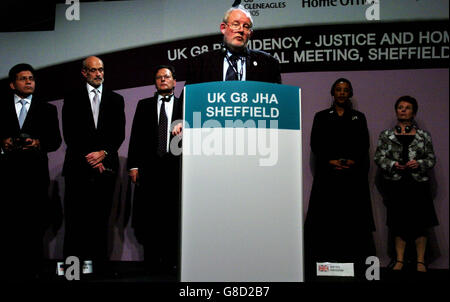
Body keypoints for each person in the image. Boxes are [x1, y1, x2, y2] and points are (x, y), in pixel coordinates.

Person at [304, 78, 375, 279]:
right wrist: (330, 160)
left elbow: (363, 144)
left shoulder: (359, 117)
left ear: (350, 93)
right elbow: (315, 143)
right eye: (338, 89)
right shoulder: (321, 117)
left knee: (350, 219)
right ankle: (326, 260)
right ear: (332, 93)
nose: (342, 93)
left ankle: (351, 260)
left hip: (352, 177)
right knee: (326, 218)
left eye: (345, 90)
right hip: (328, 175)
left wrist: (352, 161)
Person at [62, 56, 125, 277]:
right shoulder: (71, 98)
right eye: (94, 70)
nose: (99, 74)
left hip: (105, 169)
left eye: (101, 70)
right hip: (78, 168)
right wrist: (90, 157)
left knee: (101, 220)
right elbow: (70, 133)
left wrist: (103, 154)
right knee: (75, 221)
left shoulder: (116, 99)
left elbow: (119, 133)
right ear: (84, 73)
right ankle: (73, 270)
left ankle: (100, 269)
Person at [0, 63, 61, 279]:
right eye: (23, 78)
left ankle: (34, 269)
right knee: (9, 223)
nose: (28, 82)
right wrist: (3, 144)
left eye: (31, 78)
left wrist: (37, 143)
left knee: (35, 224)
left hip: (35, 176)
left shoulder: (47, 109)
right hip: (7, 175)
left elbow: (55, 141)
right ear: (12, 83)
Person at [127, 65, 182, 277]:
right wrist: (133, 165)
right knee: (149, 218)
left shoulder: (183, 105)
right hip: (149, 170)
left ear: (174, 81)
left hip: (174, 170)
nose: (163, 80)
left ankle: (171, 263)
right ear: (155, 82)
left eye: (167, 76)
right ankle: (151, 264)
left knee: (171, 218)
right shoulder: (144, 105)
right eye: (159, 77)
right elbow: (136, 138)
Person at [374, 96, 438, 273]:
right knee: (398, 223)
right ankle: (399, 260)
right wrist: (393, 164)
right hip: (396, 185)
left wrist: (420, 163)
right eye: (400, 107)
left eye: (407, 107)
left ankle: (420, 261)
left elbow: (431, 158)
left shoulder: (423, 136)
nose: (403, 110)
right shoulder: (386, 135)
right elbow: (378, 157)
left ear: (414, 112)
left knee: (420, 223)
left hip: (418, 185)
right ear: (396, 111)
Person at [185, 5, 281, 85]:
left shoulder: (268, 64)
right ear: (223, 28)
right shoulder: (200, 64)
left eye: (246, 26)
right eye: (236, 24)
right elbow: (188, 101)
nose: (241, 30)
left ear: (250, 34)